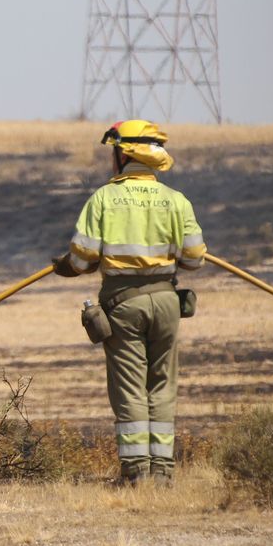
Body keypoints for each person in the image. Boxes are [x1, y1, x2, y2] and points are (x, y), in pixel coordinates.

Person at [51, 119, 205, 486]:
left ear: (123, 155)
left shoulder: (104, 199)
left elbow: (82, 259)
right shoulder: (176, 200)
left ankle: (137, 472)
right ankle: (162, 472)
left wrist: (64, 267)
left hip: (123, 304)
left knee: (130, 387)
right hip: (167, 303)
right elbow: (195, 258)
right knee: (162, 385)